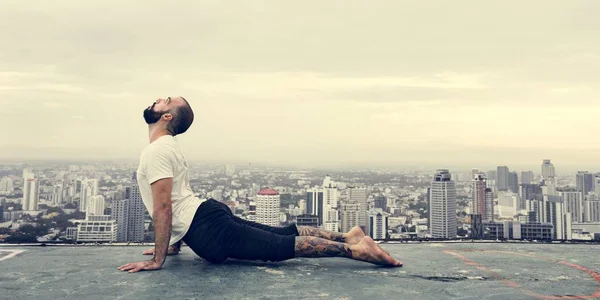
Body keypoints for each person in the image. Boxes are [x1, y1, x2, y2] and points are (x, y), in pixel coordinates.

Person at [117, 97, 403, 273]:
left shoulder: (157, 151)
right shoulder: (168, 147)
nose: (158, 100)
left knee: (280, 247)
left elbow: (164, 207)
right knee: (280, 234)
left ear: (166, 117)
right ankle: (348, 236)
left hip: (208, 229)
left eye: (165, 101)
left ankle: (355, 251)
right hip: (206, 215)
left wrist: (157, 260)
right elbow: (175, 199)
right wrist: (173, 247)